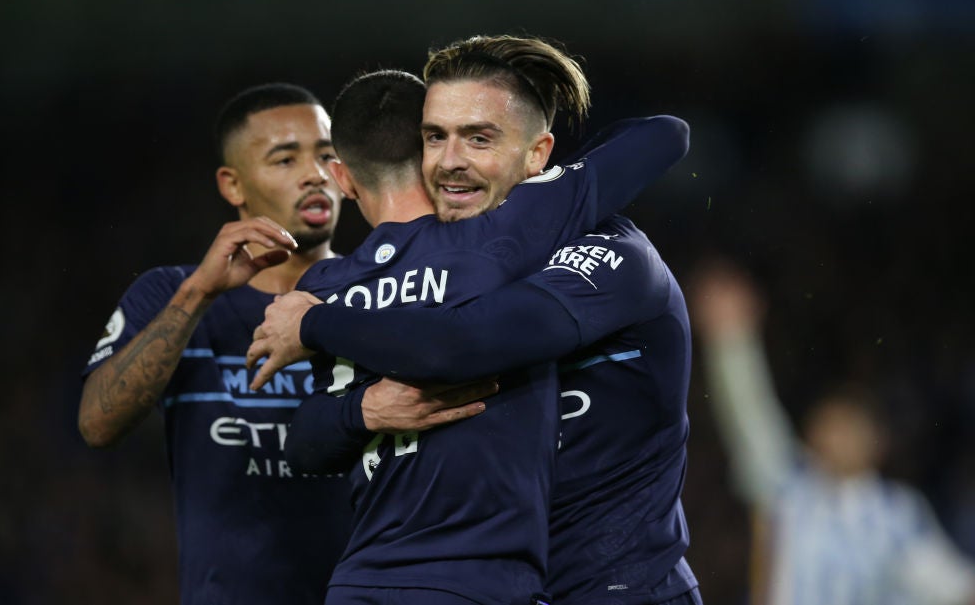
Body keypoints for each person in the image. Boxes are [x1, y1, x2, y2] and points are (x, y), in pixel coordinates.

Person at [248, 35, 690, 605]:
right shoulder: (437, 270)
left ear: (537, 154)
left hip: (618, 591)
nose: (450, 161)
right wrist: (361, 409)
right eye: (435, 137)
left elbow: (472, 341)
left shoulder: (612, 253)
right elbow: (308, 434)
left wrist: (314, 324)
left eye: (479, 138)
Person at [78, 83, 351, 604]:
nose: (315, 174)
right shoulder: (170, 294)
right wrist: (198, 294)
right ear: (233, 185)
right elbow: (96, 424)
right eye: (285, 158)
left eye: (326, 155)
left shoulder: (378, 294)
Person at [690, 261, 975, 605]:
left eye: (846, 427)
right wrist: (732, 341)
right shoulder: (790, 489)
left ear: (876, 442)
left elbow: (949, 584)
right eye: (825, 426)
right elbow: (750, 416)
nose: (832, 437)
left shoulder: (895, 514)